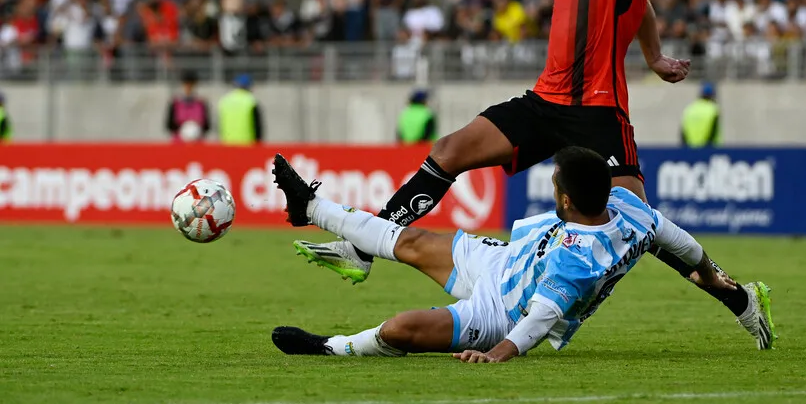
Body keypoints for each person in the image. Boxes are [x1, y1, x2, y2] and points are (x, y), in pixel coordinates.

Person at [298, 0, 769, 349]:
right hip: (545, 102)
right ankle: (364, 250)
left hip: (597, 113)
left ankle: (740, 300)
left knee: (645, 230)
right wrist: (653, 54)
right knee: (449, 151)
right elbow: (642, 5)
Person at [271, 148, 775, 360]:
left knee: (401, 329)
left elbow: (542, 316)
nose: (553, 187)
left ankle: (330, 347)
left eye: (556, 184)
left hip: (502, 311)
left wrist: (498, 352)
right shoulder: (628, 206)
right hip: (507, 260)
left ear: (566, 200)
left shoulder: (581, 258)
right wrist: (711, 277)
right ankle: (310, 206)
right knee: (410, 240)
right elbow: (684, 244)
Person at [166, 70, 211, 143]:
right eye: (186, 84)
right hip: (179, 144)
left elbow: (207, 126)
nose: (189, 87)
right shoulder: (175, 103)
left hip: (197, 143)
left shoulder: (201, 103)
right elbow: (169, 125)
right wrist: (184, 129)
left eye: (191, 84)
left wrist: (196, 129)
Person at [218, 74, 263, 145]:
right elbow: (257, 126)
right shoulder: (251, 100)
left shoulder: (225, 100)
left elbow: (220, 123)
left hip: (227, 143)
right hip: (247, 144)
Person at [681, 82, 721, 148]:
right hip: (709, 150)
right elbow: (713, 132)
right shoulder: (714, 109)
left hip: (690, 150)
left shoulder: (690, 109)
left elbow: (683, 133)